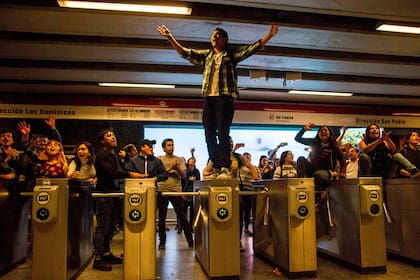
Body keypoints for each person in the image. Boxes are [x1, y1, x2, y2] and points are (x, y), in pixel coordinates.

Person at [157, 23, 279, 178]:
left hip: (225, 98)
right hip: (209, 98)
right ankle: (215, 165)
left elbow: (251, 49)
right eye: (212, 35)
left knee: (222, 132)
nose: (214, 38)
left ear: (225, 39)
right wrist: (170, 38)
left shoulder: (231, 54)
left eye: (217, 35)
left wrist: (269, 35)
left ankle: (226, 167)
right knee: (208, 133)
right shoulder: (207, 55)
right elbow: (186, 53)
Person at [93, 129, 144, 271]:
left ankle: (106, 252)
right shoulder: (102, 155)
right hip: (104, 194)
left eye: (113, 135)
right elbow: (112, 172)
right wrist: (131, 174)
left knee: (111, 225)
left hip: (114, 193)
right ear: (103, 141)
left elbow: (121, 170)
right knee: (103, 226)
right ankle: (97, 258)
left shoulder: (114, 155)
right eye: (108, 136)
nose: (113, 137)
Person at [156, 138, 193, 249]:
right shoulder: (159, 160)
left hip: (175, 191)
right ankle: (162, 241)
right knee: (161, 218)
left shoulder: (178, 160)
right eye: (168, 145)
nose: (171, 147)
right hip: (162, 191)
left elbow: (183, 175)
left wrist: (176, 168)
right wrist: (171, 169)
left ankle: (190, 241)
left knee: (182, 217)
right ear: (163, 148)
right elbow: (160, 175)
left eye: (172, 145)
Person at [295, 123, 346, 191]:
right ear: (318, 134)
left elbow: (342, 160)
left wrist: (342, 172)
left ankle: (318, 196)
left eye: (325, 130)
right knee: (301, 159)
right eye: (321, 130)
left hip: (327, 171)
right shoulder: (314, 142)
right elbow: (297, 138)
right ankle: (301, 185)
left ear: (330, 133)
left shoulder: (334, 146)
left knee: (318, 174)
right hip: (313, 169)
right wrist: (304, 129)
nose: (323, 132)